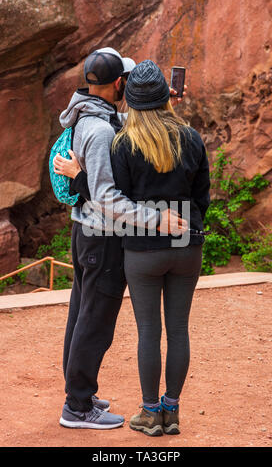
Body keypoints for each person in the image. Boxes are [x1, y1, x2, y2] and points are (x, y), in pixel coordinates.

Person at [55, 48, 185, 430]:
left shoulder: (91, 114)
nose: (127, 86)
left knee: (82, 315)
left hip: (86, 231)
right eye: (126, 81)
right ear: (117, 83)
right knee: (95, 321)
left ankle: (79, 395)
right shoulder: (98, 132)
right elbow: (108, 199)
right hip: (103, 236)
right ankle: (77, 407)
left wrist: (161, 100)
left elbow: (126, 118)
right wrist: (156, 220)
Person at [108, 59, 211, 436]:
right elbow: (202, 196)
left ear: (131, 101)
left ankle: (151, 414)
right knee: (179, 328)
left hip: (142, 247)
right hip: (186, 239)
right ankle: (172, 410)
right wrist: (186, 220)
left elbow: (118, 199)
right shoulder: (191, 136)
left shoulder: (124, 143)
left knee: (149, 331)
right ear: (166, 97)